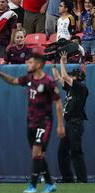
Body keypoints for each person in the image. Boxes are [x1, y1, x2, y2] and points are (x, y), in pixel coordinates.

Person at [0, 53, 65, 193]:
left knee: (36, 152)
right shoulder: (29, 78)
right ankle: (49, 183)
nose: (27, 64)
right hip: (31, 122)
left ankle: (33, 185)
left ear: (39, 65)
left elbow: (58, 103)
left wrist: (60, 125)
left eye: (31, 62)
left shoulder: (48, 82)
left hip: (44, 122)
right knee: (38, 155)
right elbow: (14, 81)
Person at [52, 52, 88, 183]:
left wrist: (63, 62)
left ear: (77, 78)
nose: (71, 76)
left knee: (75, 151)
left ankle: (82, 179)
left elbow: (65, 77)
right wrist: (54, 66)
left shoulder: (81, 88)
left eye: (74, 75)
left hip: (76, 123)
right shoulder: (71, 90)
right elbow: (59, 79)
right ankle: (67, 178)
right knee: (62, 152)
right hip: (69, 123)